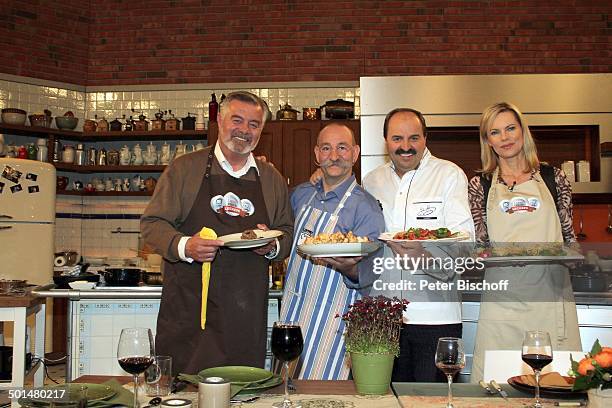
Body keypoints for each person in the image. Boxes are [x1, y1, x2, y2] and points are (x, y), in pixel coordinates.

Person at [141, 91, 294, 375]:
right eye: (237, 120)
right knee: (185, 394)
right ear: (220, 121)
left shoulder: (271, 178)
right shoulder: (184, 169)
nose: (244, 130)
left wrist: (271, 246)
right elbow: (152, 224)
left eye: (253, 124)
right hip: (190, 314)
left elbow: (286, 233)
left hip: (246, 315)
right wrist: (185, 246)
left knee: (242, 391)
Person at [468, 102, 581, 382]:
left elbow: (570, 240)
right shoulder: (479, 185)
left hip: (549, 297)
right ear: (488, 141)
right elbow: (479, 245)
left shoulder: (554, 178)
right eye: (495, 132)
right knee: (495, 390)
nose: (505, 138)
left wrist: (569, 255)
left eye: (510, 128)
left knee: (558, 389)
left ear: (523, 131)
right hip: (501, 302)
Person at [363, 108, 475, 382]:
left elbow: (466, 242)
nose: (405, 146)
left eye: (414, 138)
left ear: (425, 138)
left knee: (431, 400)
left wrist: (424, 256)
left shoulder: (449, 175)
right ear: (385, 140)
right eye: (397, 138)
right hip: (384, 318)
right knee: (383, 399)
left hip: (435, 317)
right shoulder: (371, 181)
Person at [280, 122, 385, 380]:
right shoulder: (301, 194)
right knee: (284, 391)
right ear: (317, 155)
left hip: (333, 319)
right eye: (326, 148)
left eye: (342, 148)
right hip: (292, 312)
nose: (334, 156)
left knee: (324, 396)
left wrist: (349, 267)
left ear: (355, 153)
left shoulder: (367, 207)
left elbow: (373, 271)